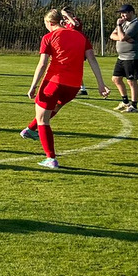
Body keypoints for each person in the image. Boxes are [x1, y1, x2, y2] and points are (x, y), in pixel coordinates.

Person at [20, 9, 110, 169]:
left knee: (42, 119)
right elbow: (92, 60)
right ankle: (29, 130)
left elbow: (42, 64)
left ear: (50, 23)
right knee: (51, 109)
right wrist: (101, 84)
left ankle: (51, 158)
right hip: (73, 87)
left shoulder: (49, 37)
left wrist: (33, 86)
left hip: (53, 83)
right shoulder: (81, 36)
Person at [109, 4, 138, 113]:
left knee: (131, 81)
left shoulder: (136, 24)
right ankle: (125, 101)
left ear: (131, 12)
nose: (122, 15)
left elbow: (122, 37)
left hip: (132, 56)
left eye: (124, 13)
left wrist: (119, 28)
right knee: (116, 79)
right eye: (121, 13)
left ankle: (134, 105)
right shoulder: (124, 23)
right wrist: (121, 37)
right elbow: (112, 35)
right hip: (122, 57)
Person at [61, 8, 88, 96]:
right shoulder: (66, 23)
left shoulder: (76, 20)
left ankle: (79, 88)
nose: (64, 16)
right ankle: (81, 88)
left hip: (78, 47)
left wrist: (68, 16)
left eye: (65, 14)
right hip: (70, 48)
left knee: (74, 68)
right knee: (69, 67)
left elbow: (75, 24)